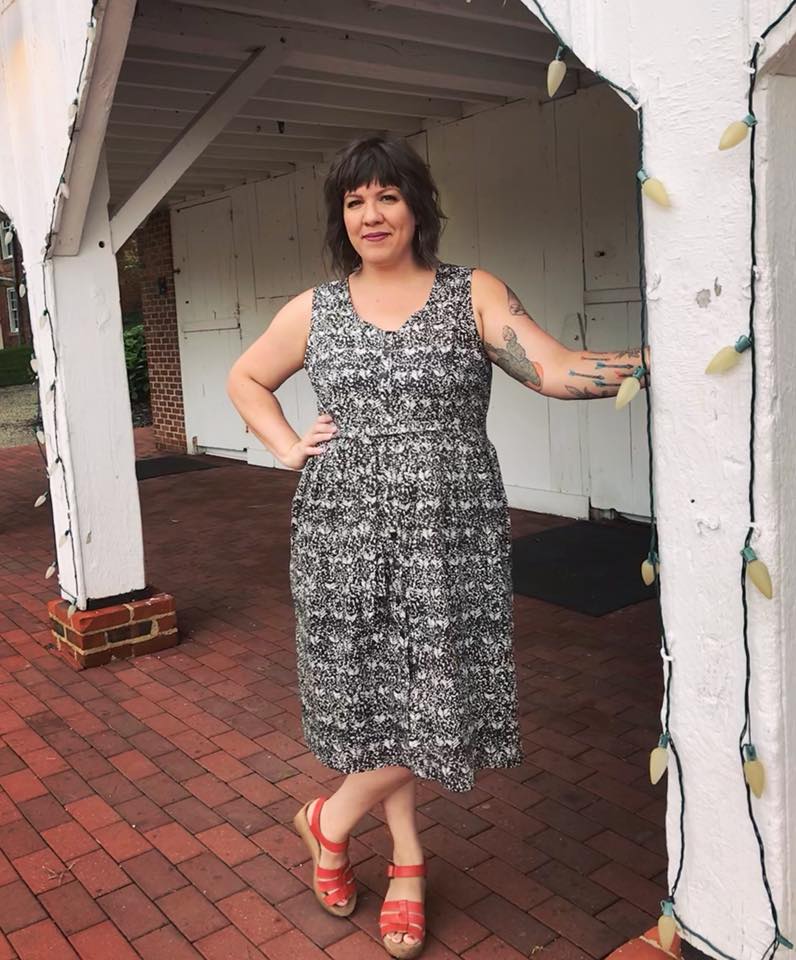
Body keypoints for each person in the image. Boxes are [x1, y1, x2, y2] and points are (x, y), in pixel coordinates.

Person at [226, 136, 650, 960]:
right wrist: (284, 447)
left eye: (386, 195)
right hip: (343, 532)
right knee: (380, 699)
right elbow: (247, 378)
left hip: (450, 533)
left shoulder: (472, 292)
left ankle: (329, 820)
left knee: (439, 697)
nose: (371, 214)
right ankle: (409, 861)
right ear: (341, 217)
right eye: (354, 201)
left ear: (416, 205)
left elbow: (555, 369)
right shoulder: (315, 309)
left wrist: (656, 363)